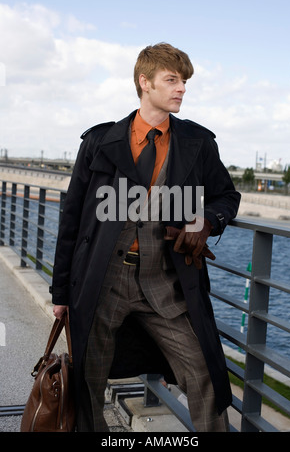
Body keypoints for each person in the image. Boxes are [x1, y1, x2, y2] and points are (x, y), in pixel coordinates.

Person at [51, 42, 240, 432]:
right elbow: (72, 220)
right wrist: (61, 293)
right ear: (144, 82)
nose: (181, 89)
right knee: (88, 380)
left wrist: (206, 219)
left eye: (184, 81)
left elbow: (227, 195)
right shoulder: (99, 143)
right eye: (172, 80)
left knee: (205, 374)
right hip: (102, 281)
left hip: (165, 281)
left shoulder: (197, 143)